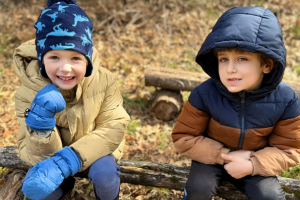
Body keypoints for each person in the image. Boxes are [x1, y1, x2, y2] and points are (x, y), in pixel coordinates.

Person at [172, 6, 300, 200]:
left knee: (270, 196)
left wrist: (251, 163)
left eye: (242, 58)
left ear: (267, 64)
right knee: (199, 189)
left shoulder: (286, 100)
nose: (230, 69)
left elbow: (289, 150)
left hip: (256, 159)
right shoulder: (204, 94)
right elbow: (184, 137)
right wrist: (224, 155)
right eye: (223, 59)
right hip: (211, 158)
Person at [13, 0, 130, 199]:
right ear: (42, 59)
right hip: (50, 158)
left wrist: (70, 159)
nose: (65, 68)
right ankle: (63, 187)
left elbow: (114, 126)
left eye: (75, 58)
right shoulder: (27, 92)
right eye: (54, 57)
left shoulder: (104, 81)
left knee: (106, 175)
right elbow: (31, 151)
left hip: (95, 150)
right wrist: (41, 128)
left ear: (88, 59)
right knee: (44, 190)